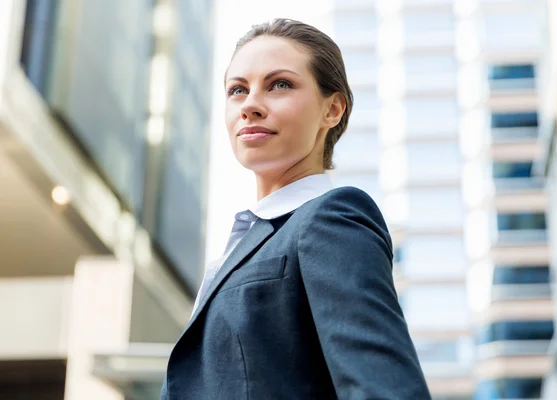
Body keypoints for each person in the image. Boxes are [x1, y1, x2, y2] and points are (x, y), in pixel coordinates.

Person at [161, 18, 431, 400]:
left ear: (332, 110)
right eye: (237, 90)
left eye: (280, 85)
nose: (251, 105)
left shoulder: (333, 218)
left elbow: (383, 388)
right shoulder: (235, 247)